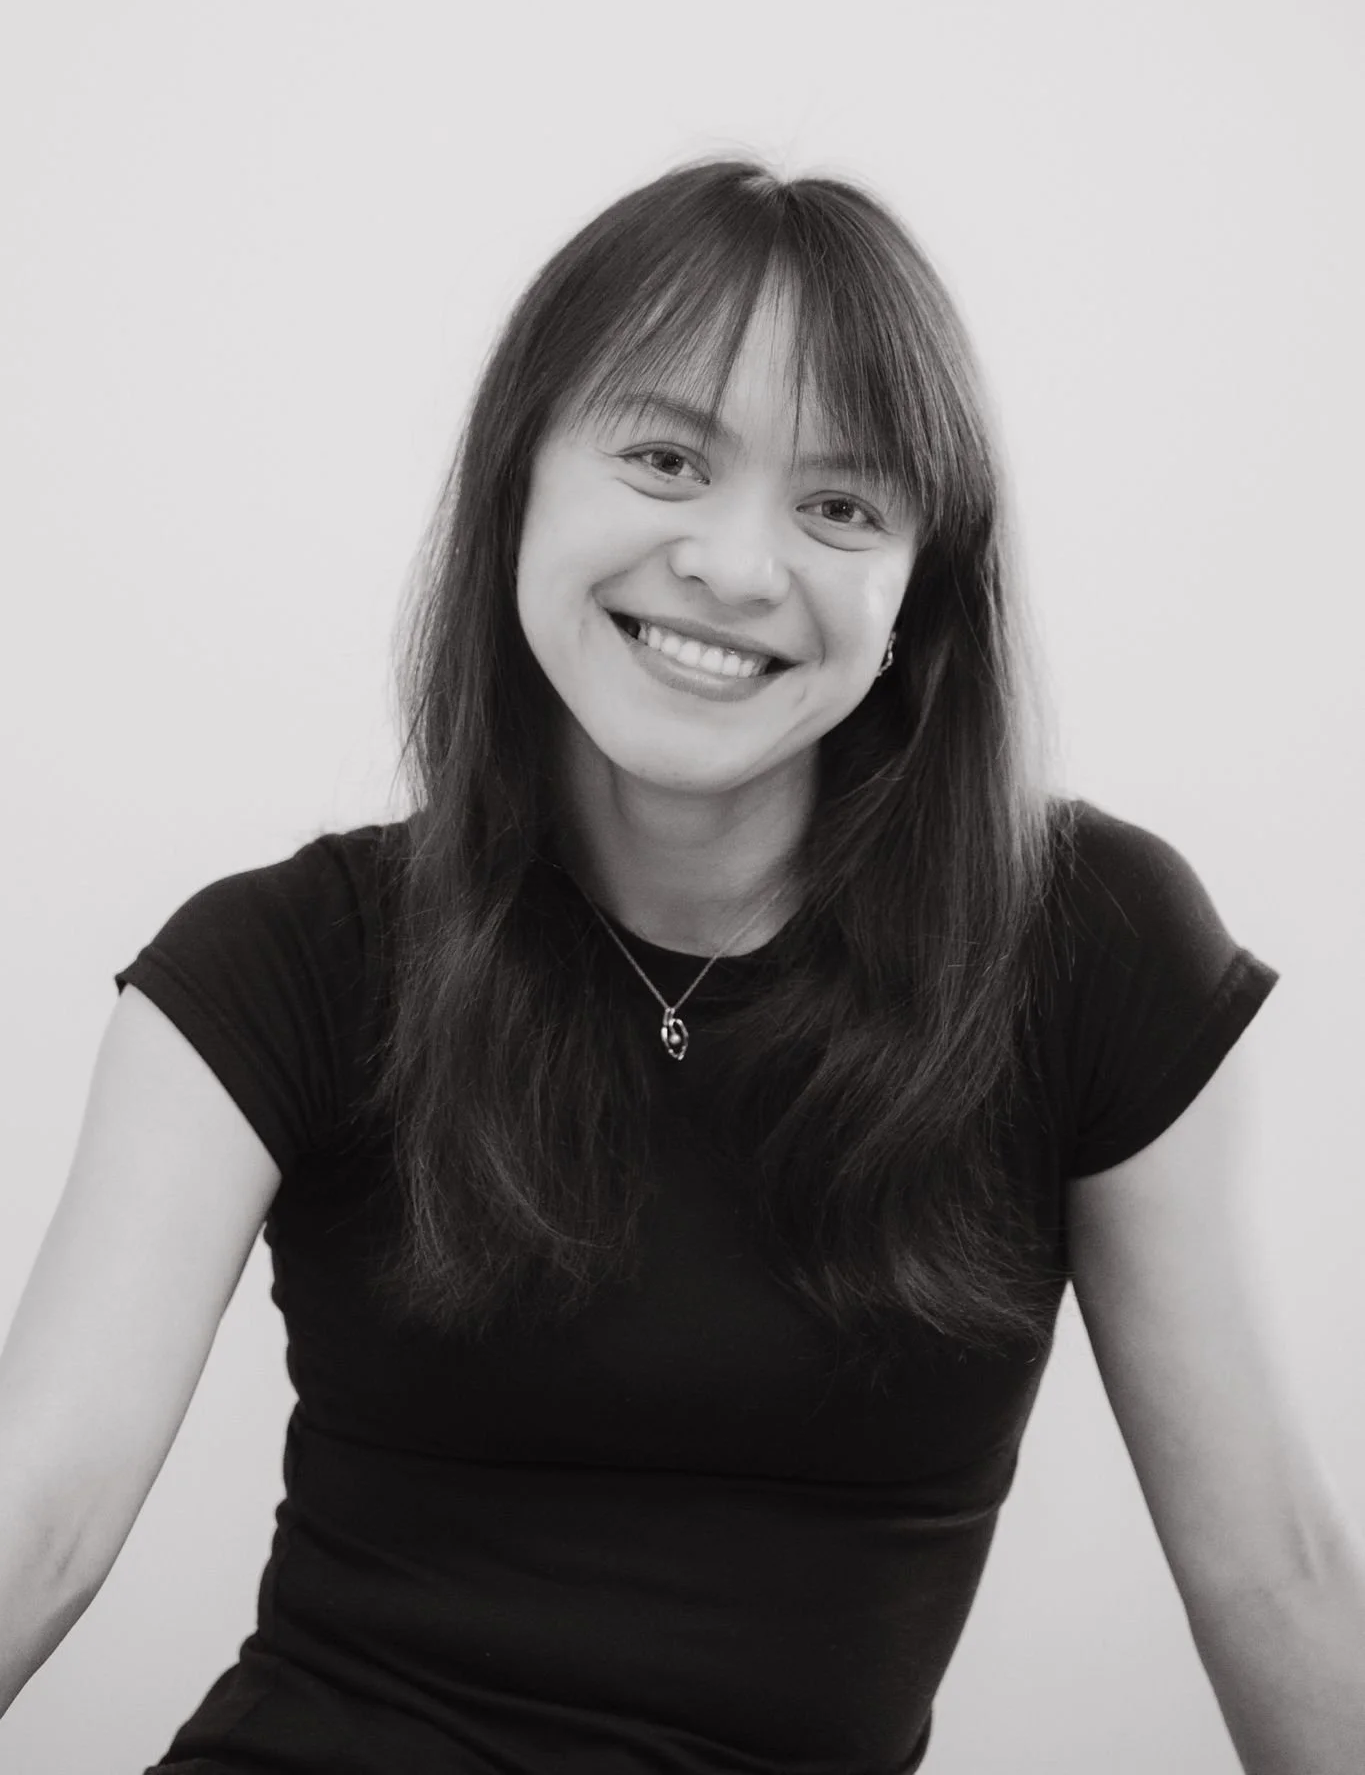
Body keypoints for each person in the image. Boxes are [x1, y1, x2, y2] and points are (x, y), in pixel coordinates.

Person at [2, 158, 1362, 1774]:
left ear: (918, 588)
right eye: (663, 458)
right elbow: (42, 1520)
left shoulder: (1091, 950)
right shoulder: (283, 962)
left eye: (841, 506)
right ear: (522, 476)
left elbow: (1271, 1574)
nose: (734, 565)